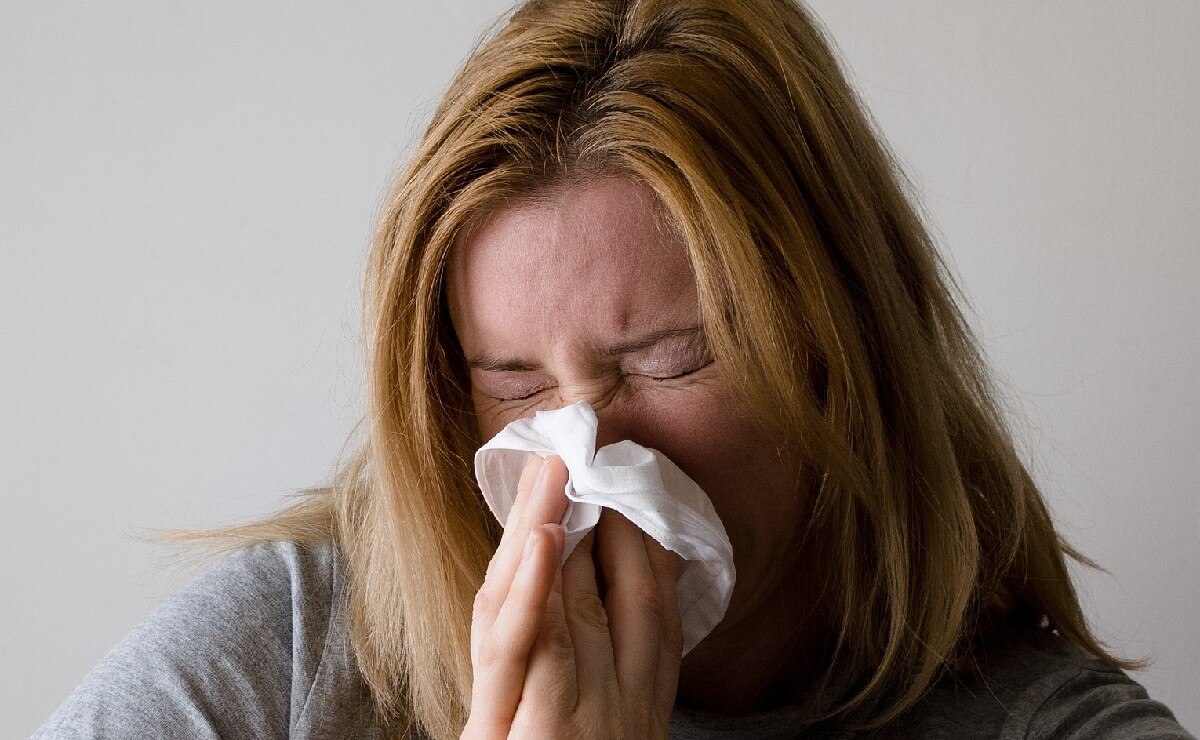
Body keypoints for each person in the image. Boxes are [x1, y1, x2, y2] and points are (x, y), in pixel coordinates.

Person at [33, 0, 1195, 738]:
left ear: (844, 351)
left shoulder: (1046, 724)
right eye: (516, 383)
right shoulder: (290, 653)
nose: (583, 457)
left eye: (669, 359)